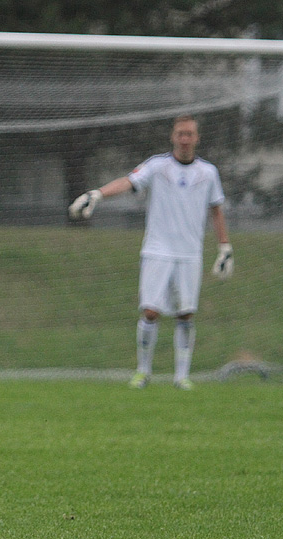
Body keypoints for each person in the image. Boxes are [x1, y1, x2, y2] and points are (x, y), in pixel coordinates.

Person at [69, 114, 233, 391]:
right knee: (150, 311)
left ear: (196, 138)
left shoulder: (208, 172)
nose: (184, 139)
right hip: (157, 250)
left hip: (190, 253)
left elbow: (216, 210)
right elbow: (128, 182)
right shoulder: (157, 166)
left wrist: (224, 248)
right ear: (173, 137)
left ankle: (181, 377)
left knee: (186, 314)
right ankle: (143, 372)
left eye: (189, 134)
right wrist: (97, 194)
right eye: (180, 133)